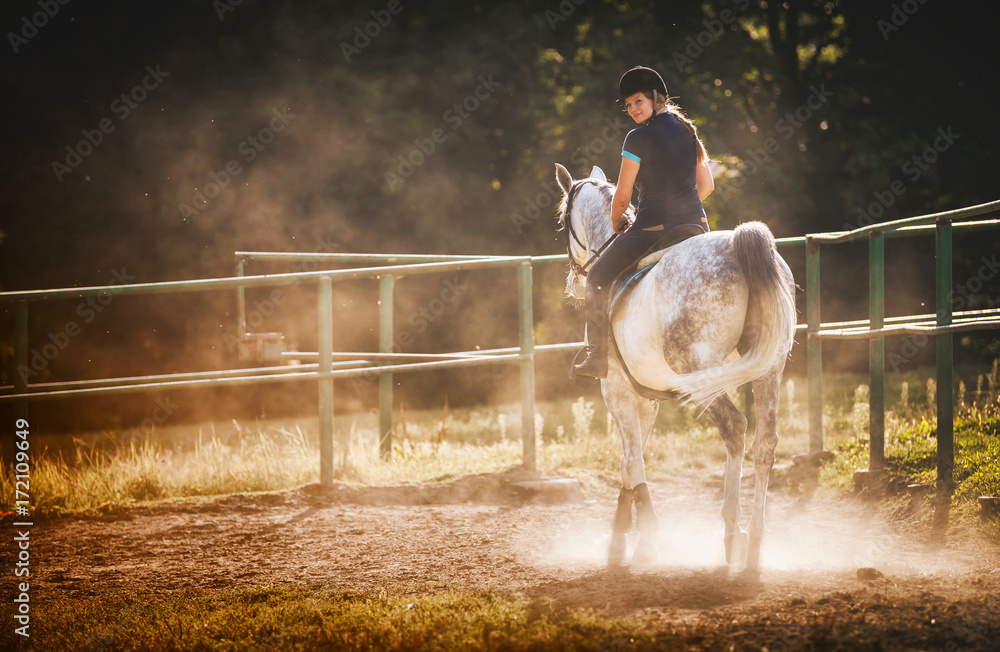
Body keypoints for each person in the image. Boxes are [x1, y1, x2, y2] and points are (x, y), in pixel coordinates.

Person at [573, 65, 715, 379]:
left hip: (653, 228)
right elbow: (706, 186)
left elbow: (622, 197)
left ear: (654, 98)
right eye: (628, 106)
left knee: (595, 278)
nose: (633, 109)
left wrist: (616, 219)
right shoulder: (687, 130)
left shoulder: (637, 138)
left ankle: (597, 358)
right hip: (697, 225)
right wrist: (682, 208)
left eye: (638, 101)